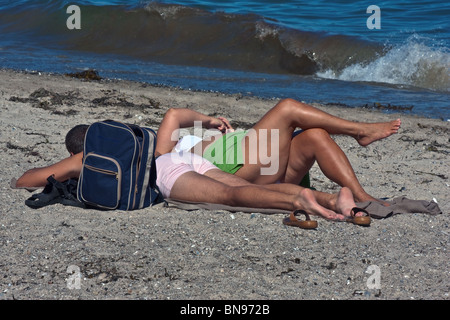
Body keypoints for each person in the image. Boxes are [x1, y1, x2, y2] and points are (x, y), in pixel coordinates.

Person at [14, 116, 369, 223]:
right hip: (182, 159)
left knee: (232, 196)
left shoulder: (84, 160)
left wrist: (70, 169)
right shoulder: (134, 138)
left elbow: (27, 180)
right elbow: (172, 120)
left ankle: (305, 200)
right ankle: (337, 201)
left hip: (170, 177)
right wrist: (206, 121)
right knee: (232, 184)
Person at [156, 99, 401, 203]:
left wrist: (219, 132)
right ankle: (359, 131)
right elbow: (173, 114)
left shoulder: (183, 149)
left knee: (315, 135)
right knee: (287, 109)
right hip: (236, 167)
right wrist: (209, 120)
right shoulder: (164, 157)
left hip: (264, 169)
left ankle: (362, 197)